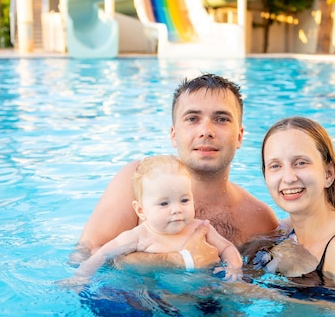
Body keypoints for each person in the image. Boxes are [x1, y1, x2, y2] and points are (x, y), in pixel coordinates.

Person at [76, 73, 278, 268]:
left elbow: (250, 286)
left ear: (240, 136)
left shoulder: (259, 219)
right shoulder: (137, 179)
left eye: (222, 119)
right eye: (192, 119)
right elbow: (86, 255)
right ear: (173, 134)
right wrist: (177, 261)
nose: (206, 131)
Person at [248, 116, 335, 289]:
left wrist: (255, 293)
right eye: (275, 166)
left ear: (328, 174)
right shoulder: (285, 231)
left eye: (301, 163)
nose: (288, 178)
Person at [68, 155, 243, 284]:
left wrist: (234, 267)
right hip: (154, 298)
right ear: (141, 210)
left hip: (198, 297)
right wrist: (81, 277)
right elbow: (103, 254)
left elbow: (227, 247)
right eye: (164, 203)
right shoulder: (138, 236)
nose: (176, 209)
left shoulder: (200, 229)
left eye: (184, 200)